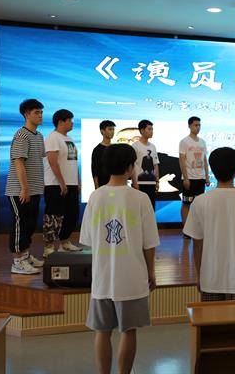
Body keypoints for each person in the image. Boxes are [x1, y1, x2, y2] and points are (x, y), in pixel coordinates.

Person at [80, 143, 159, 374]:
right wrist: (151, 272)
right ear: (130, 167)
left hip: (102, 278)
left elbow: (88, 239)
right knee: (129, 331)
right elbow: (149, 243)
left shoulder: (95, 197)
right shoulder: (141, 198)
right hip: (132, 278)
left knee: (102, 332)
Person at [183, 147, 235, 301]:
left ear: (213, 171)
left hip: (210, 279)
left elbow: (197, 245)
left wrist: (200, 276)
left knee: (211, 317)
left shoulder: (200, 201)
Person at [6, 99, 46, 274]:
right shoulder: (21, 135)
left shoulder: (39, 135)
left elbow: (38, 161)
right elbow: (18, 162)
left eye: (41, 112)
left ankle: (25, 256)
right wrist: (24, 188)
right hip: (19, 190)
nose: (40, 115)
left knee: (29, 225)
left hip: (34, 189)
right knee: (20, 225)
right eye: (37, 112)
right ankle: (17, 262)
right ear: (26, 114)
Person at [43, 109, 82, 257]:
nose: (72, 123)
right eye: (69, 120)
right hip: (55, 184)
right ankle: (48, 247)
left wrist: (77, 182)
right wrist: (62, 183)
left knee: (72, 214)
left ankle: (65, 242)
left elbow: (73, 162)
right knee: (54, 216)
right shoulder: (53, 137)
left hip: (71, 184)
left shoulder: (69, 139)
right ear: (60, 122)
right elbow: (52, 161)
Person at [179, 116, 210, 229]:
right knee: (186, 203)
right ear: (189, 126)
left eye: (199, 125)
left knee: (199, 204)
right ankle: (186, 229)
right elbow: (181, 160)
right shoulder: (184, 141)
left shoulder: (202, 142)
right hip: (190, 179)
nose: (198, 127)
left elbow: (204, 160)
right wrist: (186, 178)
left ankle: (198, 228)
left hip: (200, 178)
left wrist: (207, 177)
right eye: (195, 125)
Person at [131, 120, 159, 210]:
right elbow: (132, 166)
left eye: (152, 129)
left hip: (151, 182)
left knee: (151, 208)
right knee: (139, 208)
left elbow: (155, 165)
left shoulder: (153, 146)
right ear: (142, 130)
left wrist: (157, 181)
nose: (152, 131)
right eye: (149, 129)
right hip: (139, 183)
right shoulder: (135, 146)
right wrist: (134, 182)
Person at [91, 120, 116, 189]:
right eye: (110, 129)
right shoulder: (97, 149)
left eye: (113, 129)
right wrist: (96, 186)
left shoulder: (115, 148)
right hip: (103, 183)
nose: (112, 132)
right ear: (102, 131)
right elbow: (95, 169)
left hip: (115, 183)